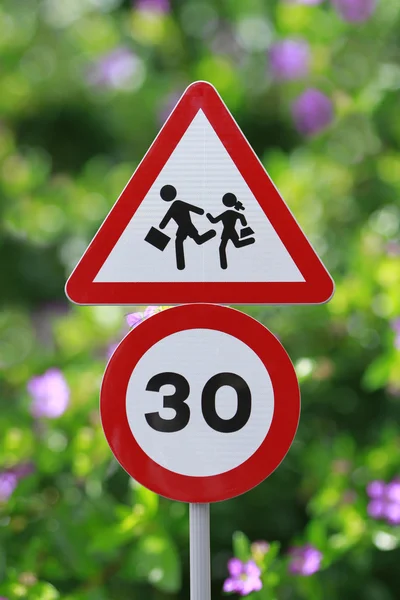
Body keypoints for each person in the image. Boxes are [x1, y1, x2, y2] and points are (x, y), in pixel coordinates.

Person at [159, 185, 216, 270]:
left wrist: (162, 225)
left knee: (184, 241)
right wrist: (200, 211)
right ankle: (212, 233)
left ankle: (212, 233)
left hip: (185, 226)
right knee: (195, 240)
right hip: (187, 226)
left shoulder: (175, 205)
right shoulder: (179, 204)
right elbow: (198, 210)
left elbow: (163, 223)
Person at [206, 193, 255, 270]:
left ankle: (251, 240)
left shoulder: (227, 213)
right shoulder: (232, 213)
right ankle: (251, 240)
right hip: (230, 232)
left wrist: (208, 215)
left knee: (223, 247)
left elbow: (214, 220)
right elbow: (241, 217)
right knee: (234, 245)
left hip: (228, 232)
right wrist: (244, 223)